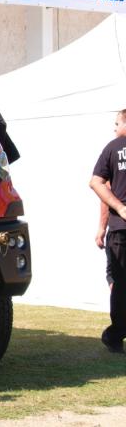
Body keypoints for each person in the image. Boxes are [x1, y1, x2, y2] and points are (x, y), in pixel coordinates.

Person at [90, 109, 126, 354]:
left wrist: (118, 209)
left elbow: (97, 183)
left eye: (116, 123)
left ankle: (115, 335)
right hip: (119, 228)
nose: (114, 128)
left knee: (119, 282)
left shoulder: (113, 148)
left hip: (121, 228)